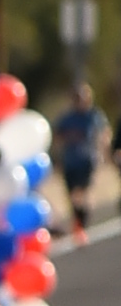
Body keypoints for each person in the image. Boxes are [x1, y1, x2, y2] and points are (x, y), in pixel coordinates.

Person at [54, 80, 108, 243]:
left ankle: (82, 225)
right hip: (70, 162)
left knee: (82, 193)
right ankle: (79, 222)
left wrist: (103, 152)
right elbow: (58, 137)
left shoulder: (94, 116)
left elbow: (103, 133)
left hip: (87, 160)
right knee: (73, 196)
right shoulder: (67, 118)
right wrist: (58, 157)